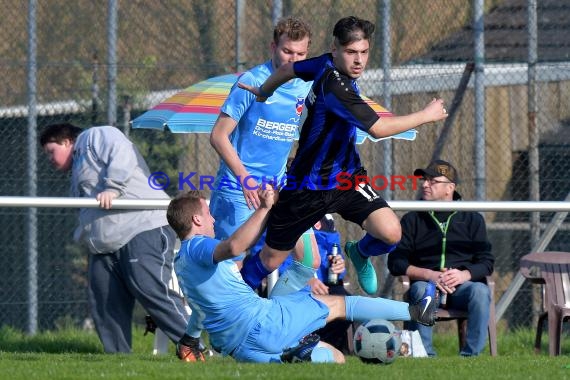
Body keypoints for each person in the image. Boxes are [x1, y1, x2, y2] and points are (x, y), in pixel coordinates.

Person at [237, 16, 449, 297]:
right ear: (335, 49)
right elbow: (378, 128)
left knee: (391, 233)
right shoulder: (336, 88)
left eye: (364, 52)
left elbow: (289, 69)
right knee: (271, 259)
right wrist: (425, 115)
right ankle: (230, 303)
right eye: (351, 53)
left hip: (347, 180)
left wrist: (265, 91)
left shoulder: (323, 62)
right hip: (306, 188)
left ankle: (359, 252)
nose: (359, 60)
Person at [174, 17, 321, 361]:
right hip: (239, 189)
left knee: (308, 262)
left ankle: (277, 330)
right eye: (287, 50)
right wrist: (246, 177)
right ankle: (195, 338)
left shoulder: (307, 83)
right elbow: (218, 135)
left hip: (280, 188)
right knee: (230, 271)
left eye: (301, 53)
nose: (293, 59)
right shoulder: (251, 82)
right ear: (273, 48)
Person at [167, 188, 438, 363]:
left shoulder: (182, 263)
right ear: (197, 221)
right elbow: (235, 246)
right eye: (208, 214)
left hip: (243, 350)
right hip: (263, 324)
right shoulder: (200, 246)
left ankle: (297, 356)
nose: (213, 219)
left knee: (336, 359)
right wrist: (263, 208)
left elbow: (201, 312)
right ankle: (415, 312)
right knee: (341, 304)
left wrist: (190, 338)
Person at [39, 123, 190, 354]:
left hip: (141, 227)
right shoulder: (77, 171)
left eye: (51, 151)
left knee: (149, 287)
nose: (49, 159)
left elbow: (121, 150)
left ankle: (194, 347)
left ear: (67, 141)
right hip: (106, 244)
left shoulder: (94, 136)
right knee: (104, 300)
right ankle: (119, 359)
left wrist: (113, 187)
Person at [387, 160, 495, 356]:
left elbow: (486, 263)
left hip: (462, 289)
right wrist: (428, 275)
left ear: (450, 188)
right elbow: (395, 262)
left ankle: (471, 357)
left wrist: (463, 275)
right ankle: (424, 355)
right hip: (428, 288)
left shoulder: (472, 219)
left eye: (432, 181)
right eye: (424, 180)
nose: (425, 185)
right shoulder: (412, 219)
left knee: (480, 291)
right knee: (420, 289)